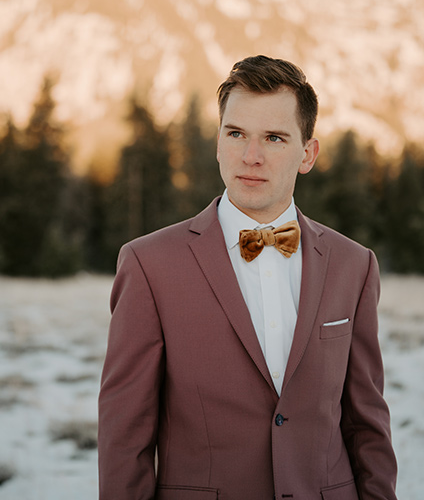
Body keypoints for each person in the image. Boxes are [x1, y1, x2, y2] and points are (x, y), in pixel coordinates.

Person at [98, 55, 397, 500]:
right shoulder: (148, 265)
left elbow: (366, 423)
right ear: (218, 143)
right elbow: (125, 437)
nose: (250, 157)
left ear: (307, 154)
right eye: (236, 134)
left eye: (274, 138)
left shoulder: (354, 265)